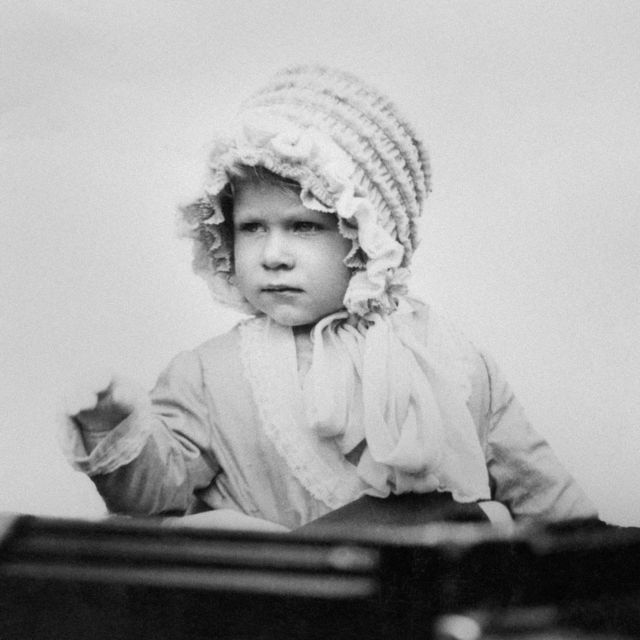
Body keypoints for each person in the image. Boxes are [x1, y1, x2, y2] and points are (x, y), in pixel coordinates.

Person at [60, 65, 597, 532]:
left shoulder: (450, 359)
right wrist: (116, 422)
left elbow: (547, 501)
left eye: (304, 227)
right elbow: (156, 496)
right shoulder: (207, 374)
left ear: (368, 237)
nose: (273, 254)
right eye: (251, 228)